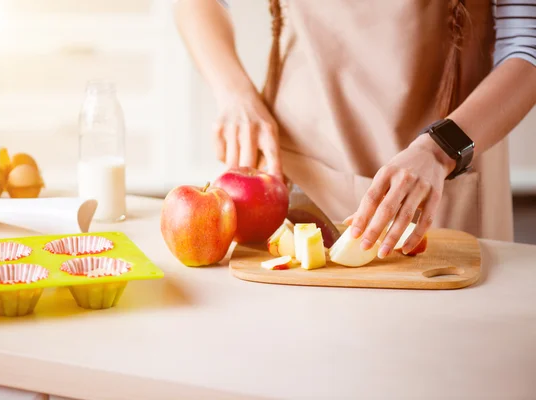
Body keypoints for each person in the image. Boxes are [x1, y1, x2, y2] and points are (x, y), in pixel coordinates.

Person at [174, 0, 536, 257]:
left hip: (445, 167)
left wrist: (439, 150)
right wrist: (234, 94)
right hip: (297, 170)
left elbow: (527, 46)